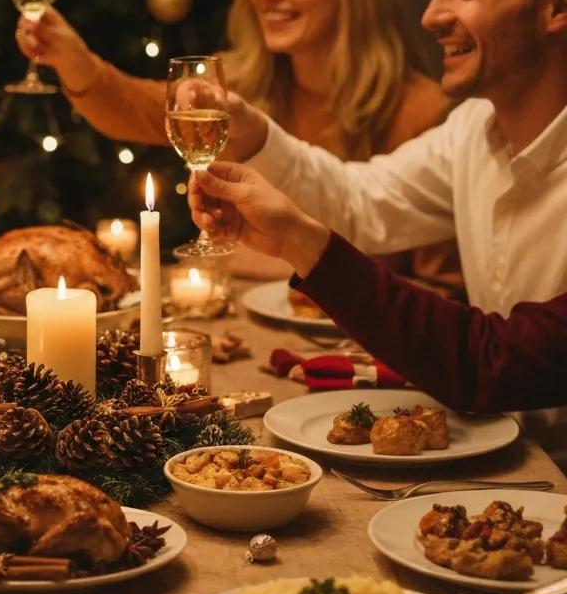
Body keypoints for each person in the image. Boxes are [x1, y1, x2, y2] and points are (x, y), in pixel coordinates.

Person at [16, 0, 458, 289]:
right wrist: (73, 60)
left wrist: (272, 262)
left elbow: (442, 294)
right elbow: (138, 109)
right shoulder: (240, 83)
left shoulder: (421, 111)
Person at [209, 0, 567, 318]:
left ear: (554, 9)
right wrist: (256, 135)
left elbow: (507, 358)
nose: (431, 16)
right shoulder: (472, 129)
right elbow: (357, 203)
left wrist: (301, 245)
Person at [189, 161, 567, 413]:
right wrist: (293, 238)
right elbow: (358, 194)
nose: (430, 32)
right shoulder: (473, 125)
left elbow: (489, 361)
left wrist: (297, 241)